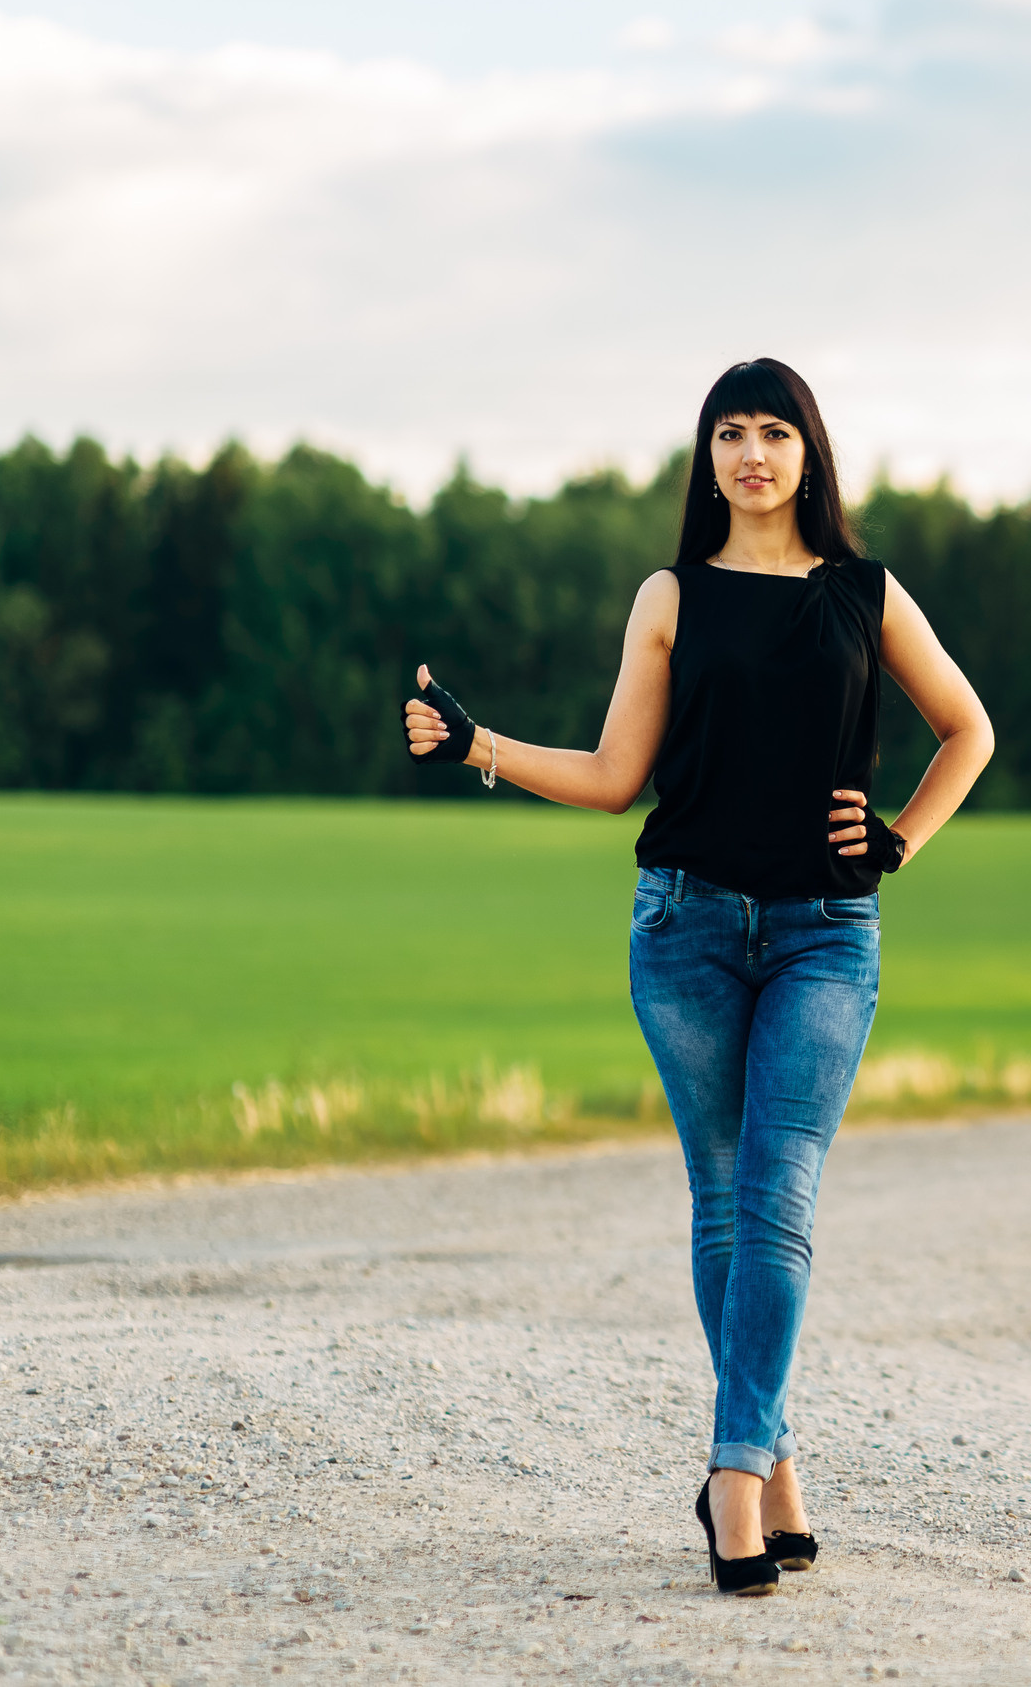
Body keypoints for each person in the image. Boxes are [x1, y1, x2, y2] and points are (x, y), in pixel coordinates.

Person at [399, 358, 994, 1597]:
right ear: (708, 456)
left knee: (778, 1194)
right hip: (686, 929)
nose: (752, 454)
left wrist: (898, 838)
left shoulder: (864, 595)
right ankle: (771, 1457)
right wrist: (477, 744)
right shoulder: (670, 596)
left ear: (810, 454)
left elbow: (968, 728)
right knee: (725, 1201)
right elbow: (620, 773)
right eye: (730, 432)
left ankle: (728, 1470)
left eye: (775, 431)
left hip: (829, 931)